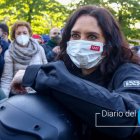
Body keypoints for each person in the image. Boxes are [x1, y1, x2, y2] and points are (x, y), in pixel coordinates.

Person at [11, 6, 140, 139]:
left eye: (92, 36)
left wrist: (46, 78)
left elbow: (129, 119)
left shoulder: (128, 71)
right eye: (75, 35)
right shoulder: (64, 67)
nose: (81, 42)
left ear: (110, 42)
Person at [0, 21, 47, 98]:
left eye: (25, 33)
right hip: (20, 95)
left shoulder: (39, 49)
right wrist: (4, 101)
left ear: (29, 34)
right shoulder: (9, 53)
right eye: (18, 33)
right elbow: (6, 79)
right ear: (14, 36)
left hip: (39, 92)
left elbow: (46, 69)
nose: (22, 35)